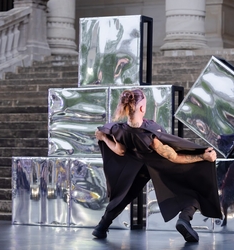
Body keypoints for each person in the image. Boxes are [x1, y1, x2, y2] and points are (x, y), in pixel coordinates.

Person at [93, 88, 222, 242]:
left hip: (137, 168)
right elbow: (173, 157)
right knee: (191, 186)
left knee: (123, 196)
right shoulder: (150, 134)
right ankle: (184, 218)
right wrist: (202, 156)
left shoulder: (118, 130)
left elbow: (120, 150)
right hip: (160, 166)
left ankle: (101, 226)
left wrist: (104, 138)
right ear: (142, 108)